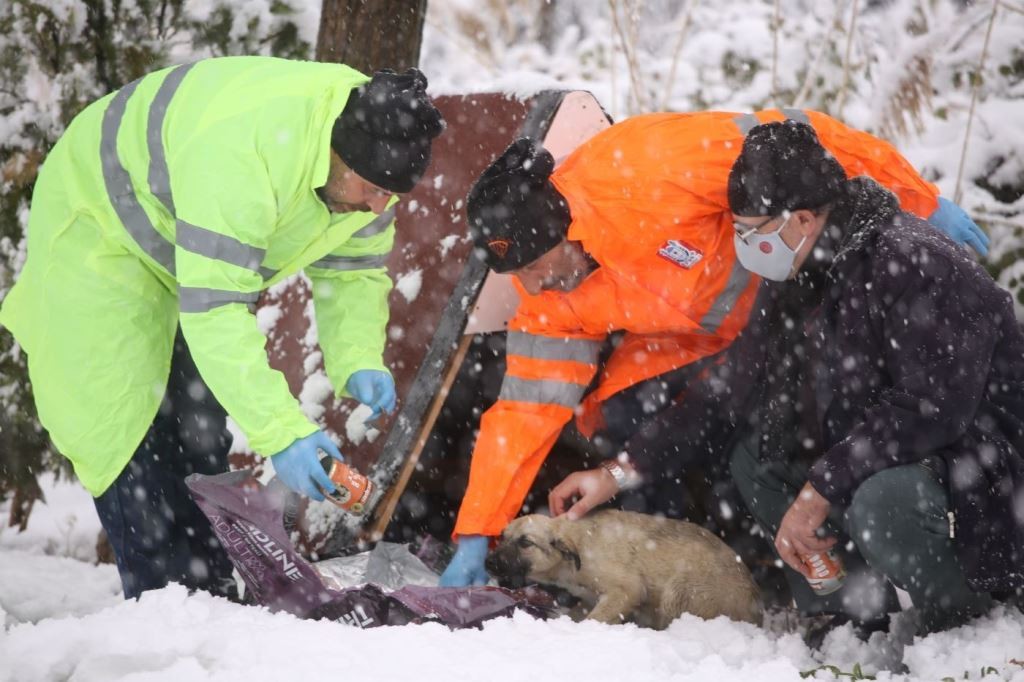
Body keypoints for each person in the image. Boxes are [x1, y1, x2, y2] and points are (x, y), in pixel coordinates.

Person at [440, 107, 988, 587]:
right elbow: (524, 408)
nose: (531, 288)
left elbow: (794, 141)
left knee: (785, 433)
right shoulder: (545, 298)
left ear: (559, 235)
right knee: (628, 425)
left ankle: (824, 574)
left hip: (785, 311)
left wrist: (919, 197)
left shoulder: (646, 165)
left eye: (535, 269)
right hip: (692, 347)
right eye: (519, 277)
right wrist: (477, 532)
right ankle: (672, 576)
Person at [0, 57, 445, 599]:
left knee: (197, 435)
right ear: (334, 151)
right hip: (99, 232)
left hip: (178, 251)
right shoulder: (244, 156)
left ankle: (208, 599)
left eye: (391, 195)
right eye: (371, 189)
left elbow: (353, 267)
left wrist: (357, 360)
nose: (378, 207)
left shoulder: (373, 154)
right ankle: (165, 609)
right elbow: (216, 312)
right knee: (130, 437)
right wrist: (284, 434)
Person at [556, 120, 1023, 635]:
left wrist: (820, 487)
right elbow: (729, 388)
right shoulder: (800, 272)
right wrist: (617, 472)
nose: (743, 245)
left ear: (802, 219)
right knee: (757, 455)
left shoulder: (914, 262)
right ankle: (852, 615)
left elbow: (930, 408)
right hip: (884, 440)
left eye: (752, 232)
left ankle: (965, 624)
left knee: (881, 503)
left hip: (982, 460)